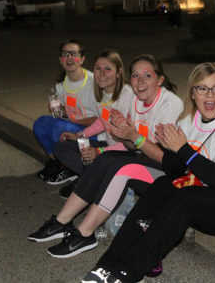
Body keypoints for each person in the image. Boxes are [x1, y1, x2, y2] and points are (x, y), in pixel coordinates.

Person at [80, 62, 215, 283]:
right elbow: (173, 170)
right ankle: (107, 265)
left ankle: (129, 272)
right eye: (202, 88)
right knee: (163, 185)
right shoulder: (190, 120)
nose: (210, 95)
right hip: (212, 195)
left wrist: (182, 148)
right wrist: (171, 148)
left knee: (185, 199)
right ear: (193, 94)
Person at [27, 54, 184, 259]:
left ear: (160, 79)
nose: (140, 81)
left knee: (117, 167)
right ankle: (62, 222)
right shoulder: (137, 101)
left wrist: (132, 136)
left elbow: (166, 159)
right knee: (103, 160)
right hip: (143, 159)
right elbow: (131, 145)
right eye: (135, 75)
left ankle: (85, 233)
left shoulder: (169, 104)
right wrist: (122, 132)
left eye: (147, 75)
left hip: (169, 172)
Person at [50, 49, 134, 191]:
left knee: (92, 156)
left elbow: (129, 144)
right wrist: (80, 135)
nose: (102, 73)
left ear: (119, 72)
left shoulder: (127, 97)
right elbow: (103, 120)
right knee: (61, 147)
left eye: (108, 69)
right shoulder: (103, 92)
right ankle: (95, 178)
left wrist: (99, 152)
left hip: (126, 152)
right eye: (98, 69)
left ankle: (93, 181)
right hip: (108, 145)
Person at [34, 40, 98, 183]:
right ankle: (60, 162)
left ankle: (70, 167)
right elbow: (62, 113)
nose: (69, 58)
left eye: (73, 54)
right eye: (65, 54)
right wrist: (57, 109)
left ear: (82, 59)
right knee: (40, 123)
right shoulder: (61, 84)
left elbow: (101, 119)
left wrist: (73, 120)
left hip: (94, 133)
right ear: (60, 59)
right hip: (72, 127)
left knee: (60, 127)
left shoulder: (94, 83)